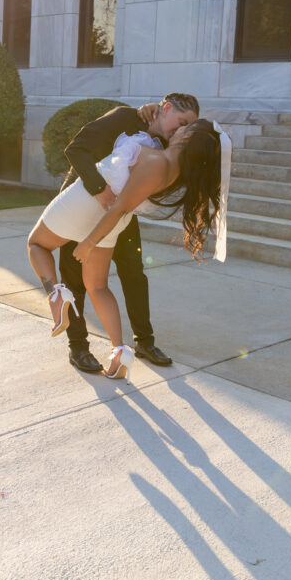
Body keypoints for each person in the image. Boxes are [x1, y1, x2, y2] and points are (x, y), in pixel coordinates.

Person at [27, 118, 225, 380]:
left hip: (90, 201)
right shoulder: (174, 170)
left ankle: (55, 295)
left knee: (37, 244)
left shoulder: (157, 162)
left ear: (188, 139)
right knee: (97, 287)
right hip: (114, 222)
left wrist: (88, 242)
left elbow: (119, 204)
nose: (177, 130)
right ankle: (119, 352)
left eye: (184, 129)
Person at [59, 94, 200, 373]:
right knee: (74, 281)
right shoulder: (125, 117)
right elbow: (75, 149)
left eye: (188, 127)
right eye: (181, 122)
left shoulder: (166, 145)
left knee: (134, 275)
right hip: (79, 209)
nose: (181, 130)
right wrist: (101, 189)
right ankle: (78, 347)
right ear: (166, 108)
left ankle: (145, 342)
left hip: (120, 217)